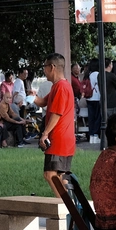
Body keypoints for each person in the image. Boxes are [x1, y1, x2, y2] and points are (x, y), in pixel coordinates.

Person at [34, 53, 75, 198]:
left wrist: (45, 133)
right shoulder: (57, 86)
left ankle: (65, 205)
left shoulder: (61, 87)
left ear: (52, 67)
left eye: (45, 67)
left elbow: (57, 113)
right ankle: (70, 204)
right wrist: (31, 96)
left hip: (58, 139)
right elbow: (42, 102)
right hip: (64, 139)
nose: (44, 71)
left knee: (50, 174)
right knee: (60, 175)